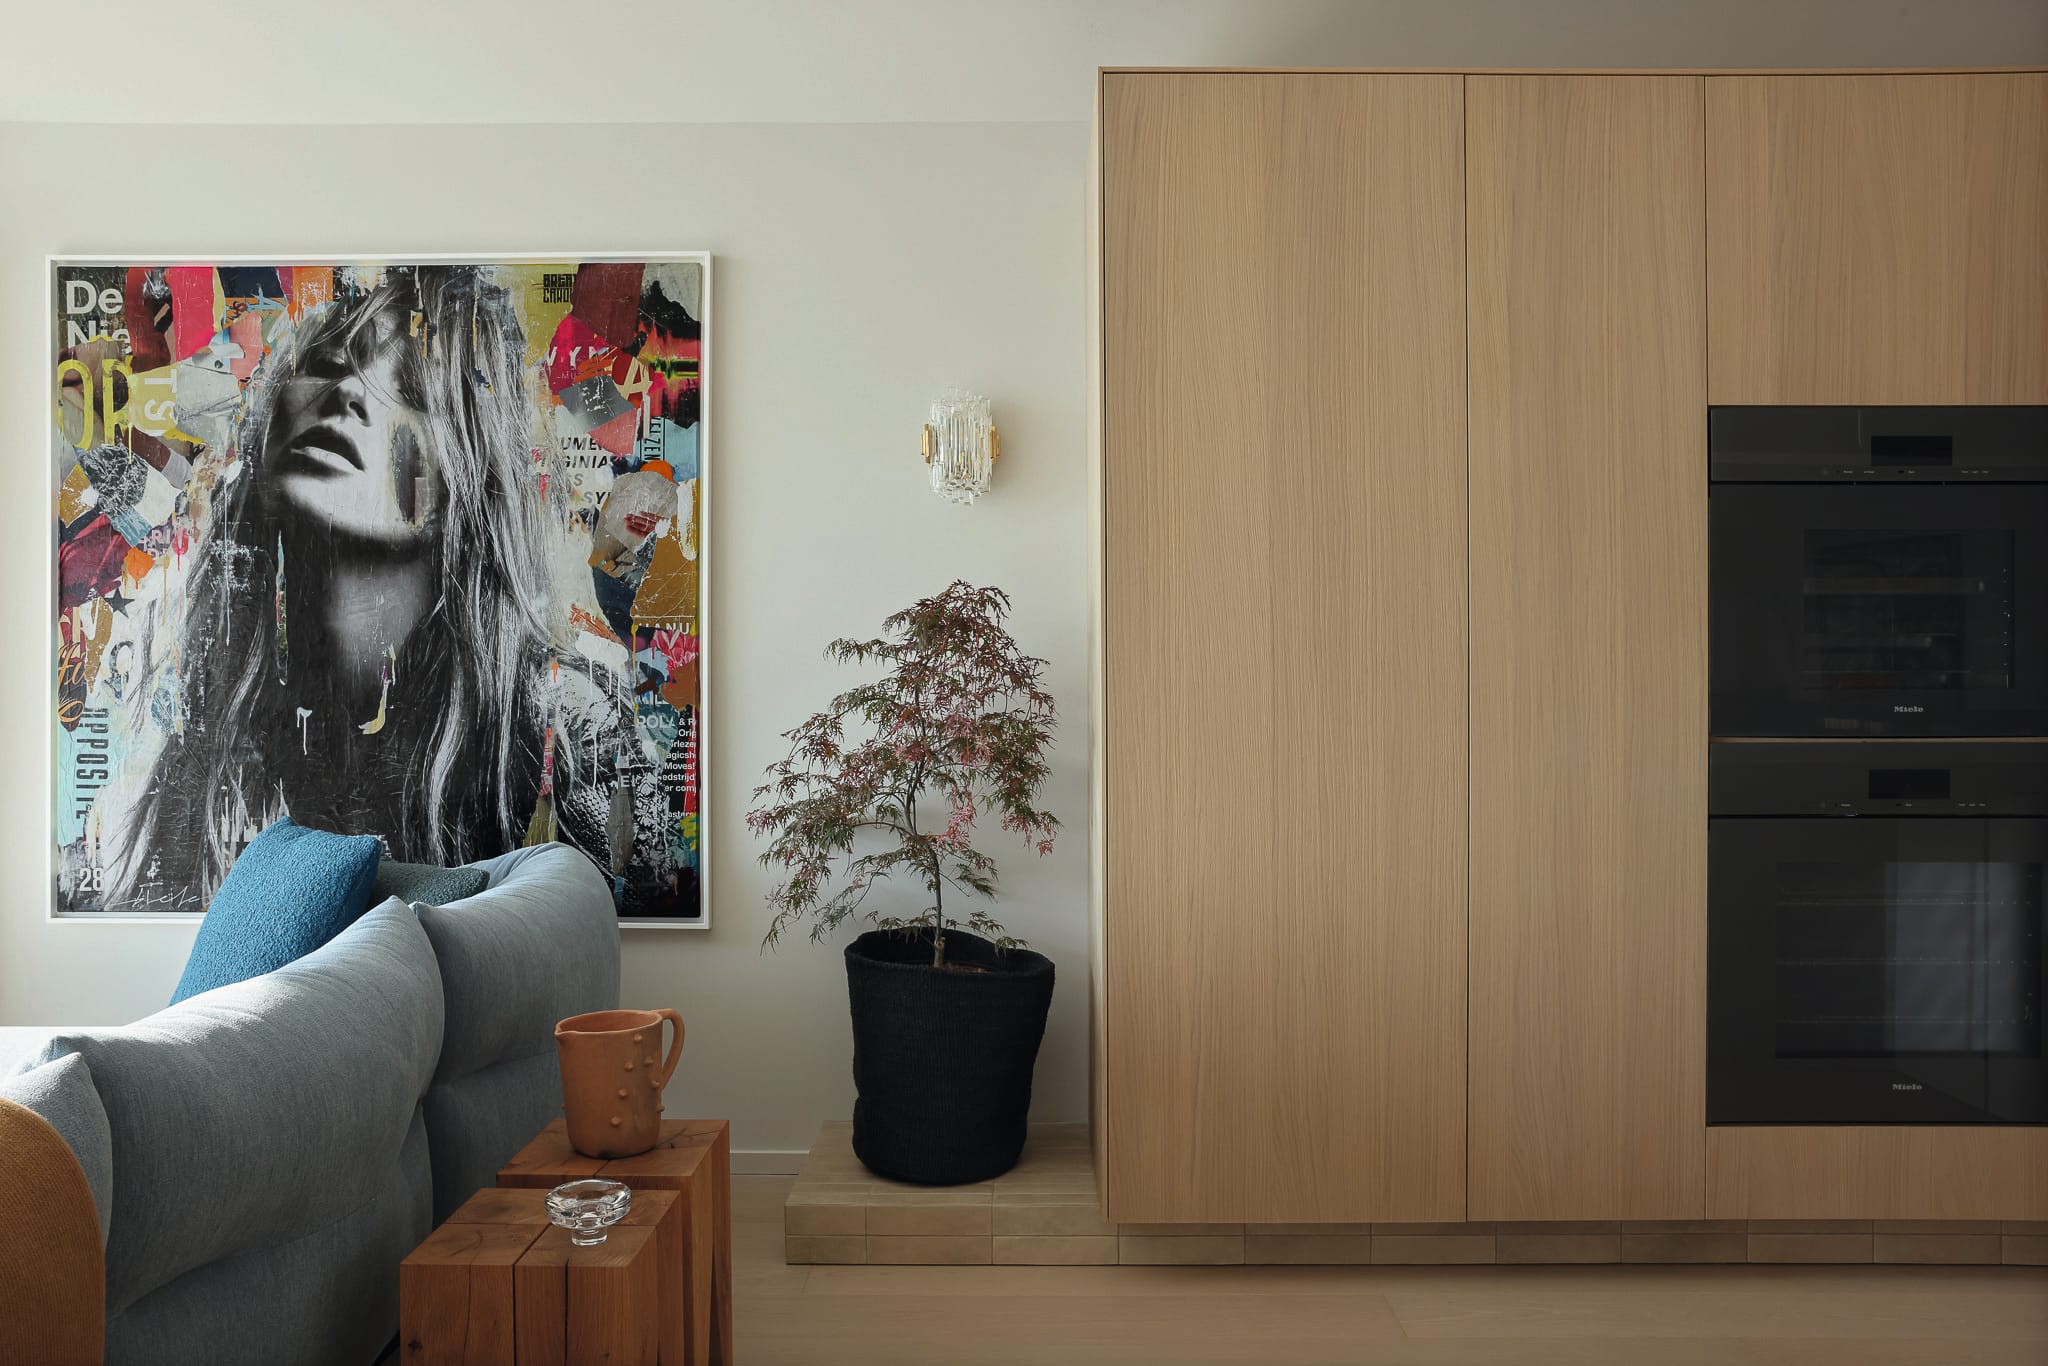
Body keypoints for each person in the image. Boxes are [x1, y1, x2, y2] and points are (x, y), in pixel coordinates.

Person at [93, 265, 672, 911]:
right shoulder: (211, 696)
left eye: (413, 389)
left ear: (468, 467)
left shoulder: (567, 726)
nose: (350, 396)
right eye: (331, 361)